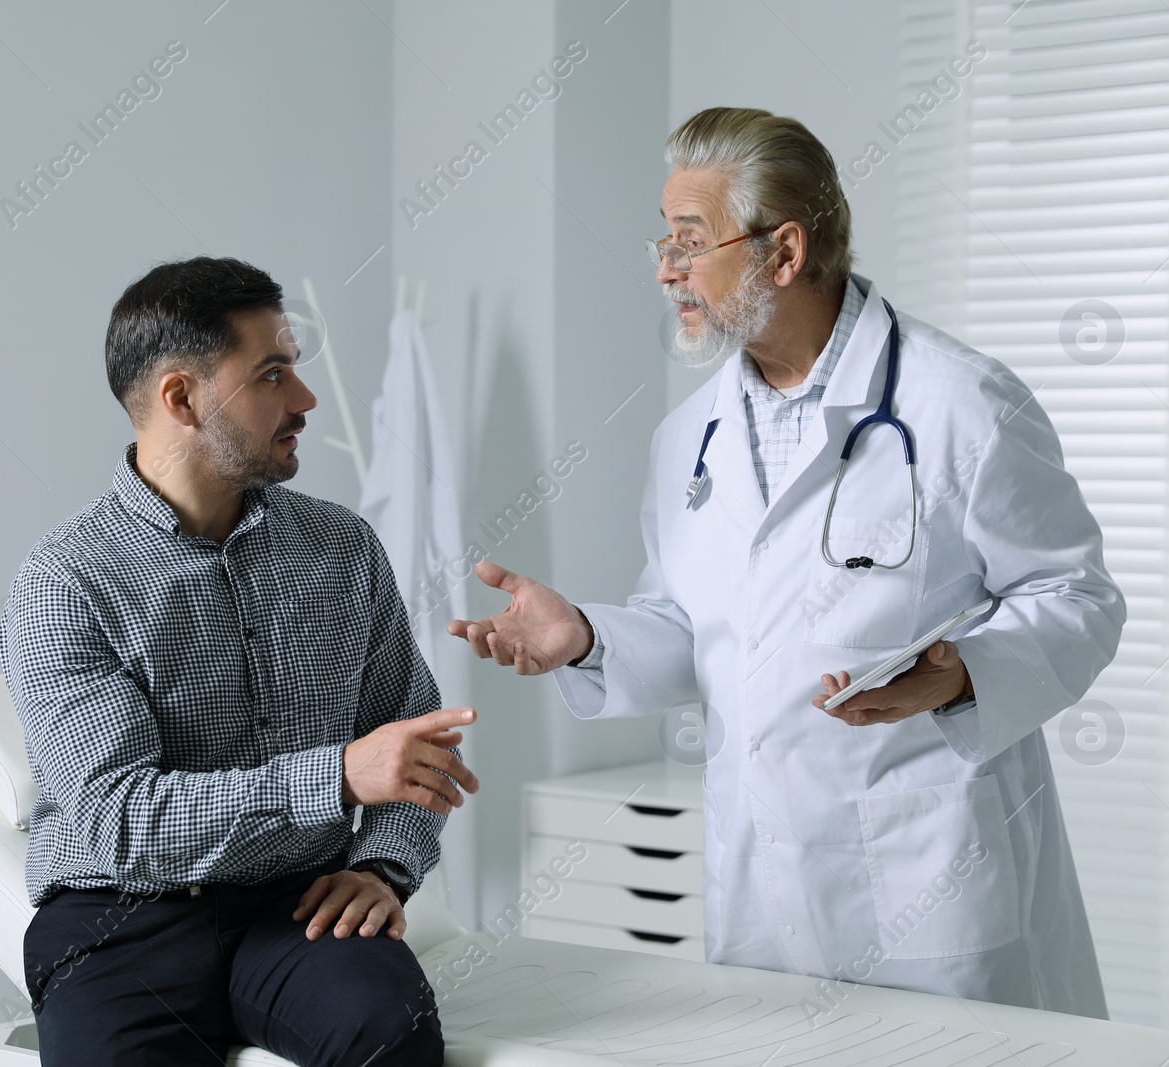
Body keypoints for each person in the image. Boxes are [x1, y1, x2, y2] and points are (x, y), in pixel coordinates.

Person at [449, 107, 1125, 1016]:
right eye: (664, 240)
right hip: (760, 883)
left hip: (933, 877)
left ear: (785, 251)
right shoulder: (690, 438)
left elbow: (1077, 596)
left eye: (689, 240)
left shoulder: (961, 402)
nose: (664, 267)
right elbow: (697, 629)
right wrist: (586, 638)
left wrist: (964, 675)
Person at [0, 256, 478, 1067]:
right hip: (121, 920)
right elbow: (123, 824)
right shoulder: (67, 581)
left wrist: (384, 868)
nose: (305, 400)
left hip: (298, 907)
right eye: (272, 375)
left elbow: (414, 752)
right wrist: (334, 777)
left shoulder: (341, 548)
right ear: (181, 398)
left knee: (390, 1033)